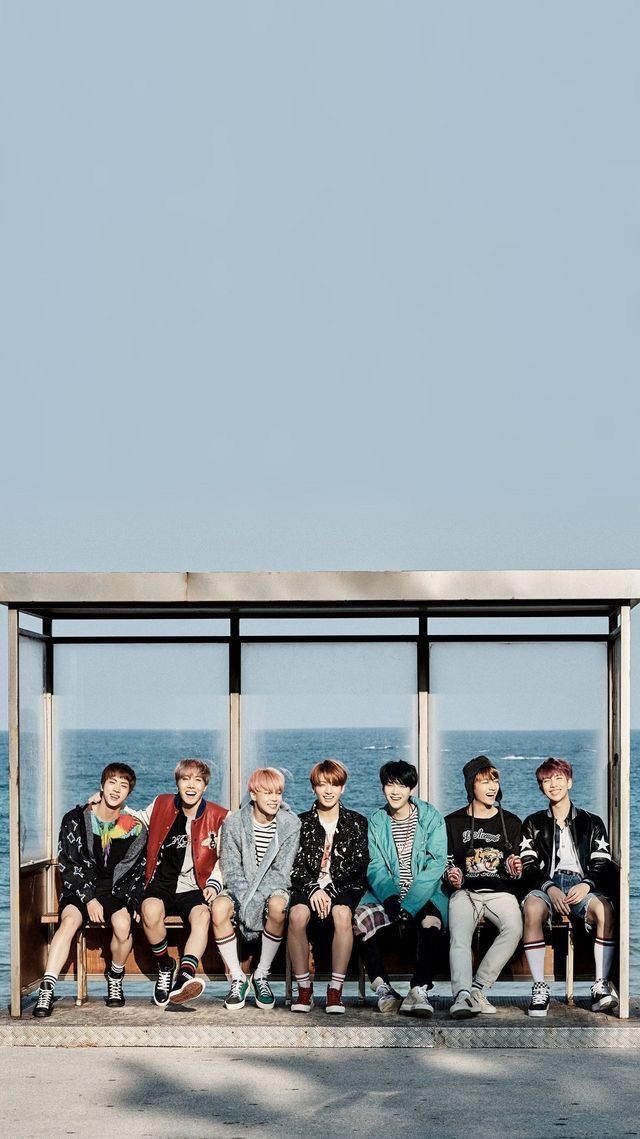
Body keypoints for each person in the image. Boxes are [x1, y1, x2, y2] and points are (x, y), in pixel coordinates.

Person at [32, 764, 147, 1018]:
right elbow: (68, 863)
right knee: (70, 920)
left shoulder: (134, 828)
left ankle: (115, 976)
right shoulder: (75, 818)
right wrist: (90, 897)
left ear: (129, 793)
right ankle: (47, 987)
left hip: (114, 890)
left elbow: (137, 871)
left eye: (124, 785)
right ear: (102, 785)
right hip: (80, 887)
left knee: (122, 924)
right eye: (112, 782)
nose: (117, 789)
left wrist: (135, 900)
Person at [520, 757, 618, 1018]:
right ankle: (540, 988)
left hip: (581, 884)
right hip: (547, 884)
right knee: (531, 908)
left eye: (558, 779)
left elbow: (602, 862)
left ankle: (600, 987)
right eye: (546, 781)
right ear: (541, 787)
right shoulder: (532, 822)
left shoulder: (592, 821)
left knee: (604, 909)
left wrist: (587, 885)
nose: (553, 785)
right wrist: (549, 887)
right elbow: (528, 864)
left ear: (570, 782)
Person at [354, 760, 448, 1017]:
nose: (395, 791)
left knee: (431, 923)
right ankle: (383, 988)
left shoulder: (430, 817)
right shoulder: (377, 820)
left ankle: (419, 989)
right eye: (389, 784)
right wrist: (392, 898)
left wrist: (410, 904)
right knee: (360, 920)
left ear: (411, 788)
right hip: (387, 893)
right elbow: (375, 865)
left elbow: (436, 864)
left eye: (402, 785)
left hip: (424, 892)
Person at [137, 759, 227, 1007]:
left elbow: (225, 858)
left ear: (205, 786)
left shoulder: (219, 816)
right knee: (150, 911)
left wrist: (213, 884)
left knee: (202, 916)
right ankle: (166, 964)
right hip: (163, 882)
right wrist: (102, 805)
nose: (191, 785)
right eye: (185, 779)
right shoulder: (161, 804)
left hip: (195, 885)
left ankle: (185, 975)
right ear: (177, 782)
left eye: (197, 780)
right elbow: (135, 820)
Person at [210, 767, 301, 1009]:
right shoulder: (234, 824)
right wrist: (246, 900)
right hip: (241, 889)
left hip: (273, 888)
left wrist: (256, 900)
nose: (274, 798)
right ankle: (238, 978)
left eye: (278, 792)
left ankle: (261, 974)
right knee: (218, 908)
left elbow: (282, 872)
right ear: (253, 794)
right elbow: (230, 868)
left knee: (278, 906)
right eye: (267, 792)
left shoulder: (290, 825)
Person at [288, 759, 369, 1014]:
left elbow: (358, 865)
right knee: (296, 915)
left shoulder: (356, 822)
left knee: (342, 914)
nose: (328, 790)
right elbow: (294, 865)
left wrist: (330, 891)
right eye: (322, 785)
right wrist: (314, 889)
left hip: (344, 887)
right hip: (309, 885)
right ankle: (304, 989)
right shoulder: (299, 823)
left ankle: (335, 990)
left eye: (334, 784)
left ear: (342, 788)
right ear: (313, 788)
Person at [444, 755, 523, 1018]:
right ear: (471, 787)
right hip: (465, 893)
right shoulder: (452, 822)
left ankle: (479, 987)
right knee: (460, 935)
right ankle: (462, 995)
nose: (491, 787)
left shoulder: (511, 822)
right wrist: (451, 874)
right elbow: (447, 862)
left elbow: (515, 864)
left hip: (501, 893)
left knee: (513, 928)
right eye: (484, 781)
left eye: (495, 781)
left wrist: (514, 867)